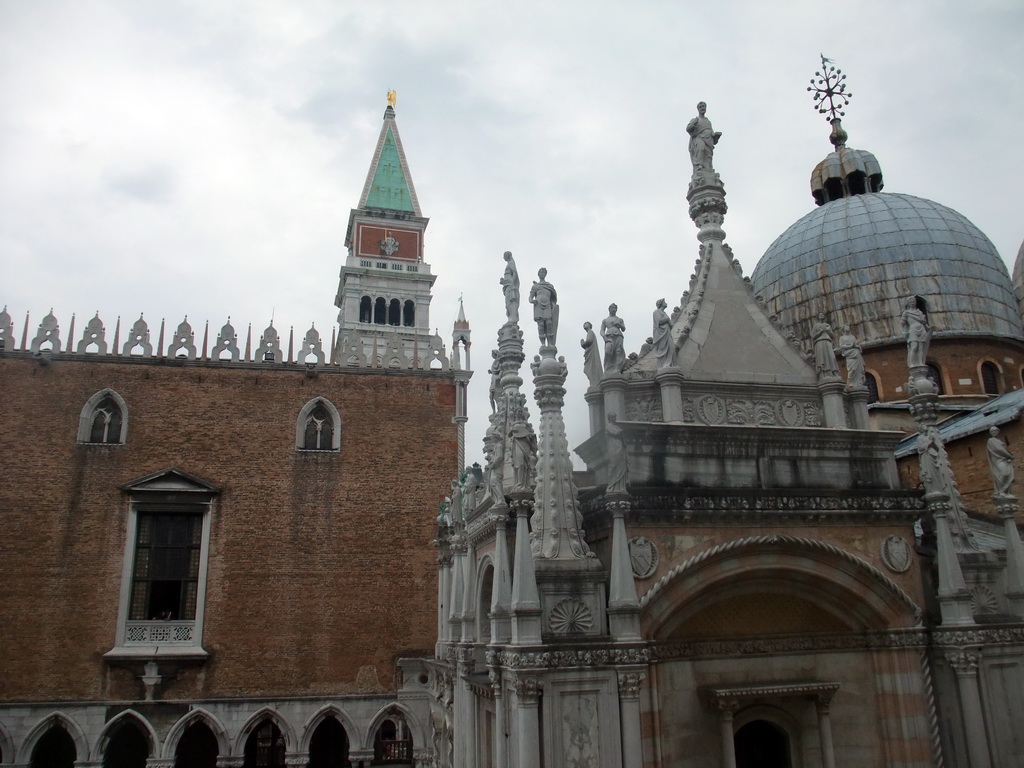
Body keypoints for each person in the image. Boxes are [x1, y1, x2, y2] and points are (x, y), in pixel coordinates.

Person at [685, 101, 722, 175]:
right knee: (700, 149)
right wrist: (693, 125)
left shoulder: (708, 121)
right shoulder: (696, 119)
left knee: (708, 155)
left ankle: (708, 169)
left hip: (709, 141)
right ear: (698, 109)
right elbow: (688, 128)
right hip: (699, 138)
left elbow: (712, 135)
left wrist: (716, 136)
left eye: (703, 107)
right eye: (700, 107)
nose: (702, 108)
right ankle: (699, 166)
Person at [528, 268, 558, 346]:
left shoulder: (549, 286)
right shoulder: (535, 286)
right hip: (538, 305)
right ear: (538, 274)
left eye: (544, 272)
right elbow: (531, 297)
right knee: (541, 325)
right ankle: (543, 343)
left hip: (547, 305)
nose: (542, 273)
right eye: (541, 272)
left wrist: (553, 304)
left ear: (545, 274)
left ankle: (550, 343)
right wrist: (531, 300)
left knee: (549, 323)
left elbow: (553, 298)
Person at [901, 298, 931, 369]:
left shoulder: (919, 312)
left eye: (914, 302)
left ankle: (920, 362)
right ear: (908, 303)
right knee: (914, 347)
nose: (912, 303)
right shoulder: (906, 313)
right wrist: (903, 332)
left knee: (921, 347)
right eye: (911, 302)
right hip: (913, 329)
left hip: (922, 329)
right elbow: (902, 323)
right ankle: (912, 364)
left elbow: (924, 322)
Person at [605, 413, 629, 494]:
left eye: (615, 417)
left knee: (621, 465)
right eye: (612, 417)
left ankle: (621, 486)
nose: (614, 418)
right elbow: (614, 433)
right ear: (609, 418)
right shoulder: (608, 427)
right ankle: (612, 486)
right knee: (613, 466)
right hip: (613, 449)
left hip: (620, 447)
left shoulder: (617, 427)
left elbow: (623, 439)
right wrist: (620, 431)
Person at [987, 426, 1015, 496]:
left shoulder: (1000, 441)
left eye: (995, 431)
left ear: (998, 431)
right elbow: (998, 450)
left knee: (1008, 475)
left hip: (1005, 460)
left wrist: (1008, 456)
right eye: (992, 431)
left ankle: (1006, 492)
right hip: (998, 460)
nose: (993, 432)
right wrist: (1009, 456)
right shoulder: (991, 440)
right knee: (1004, 473)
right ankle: (1001, 490)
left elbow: (1004, 449)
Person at [509, 420, 537, 490]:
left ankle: (525, 484)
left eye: (520, 412)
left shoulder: (527, 425)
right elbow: (509, 435)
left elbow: (532, 438)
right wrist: (512, 430)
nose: (519, 412)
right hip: (517, 444)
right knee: (520, 464)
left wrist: (530, 436)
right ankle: (519, 483)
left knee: (526, 465)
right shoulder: (514, 424)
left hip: (526, 445)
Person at [810, 313, 839, 377]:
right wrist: (820, 332)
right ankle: (824, 373)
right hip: (819, 342)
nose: (822, 315)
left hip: (827, 341)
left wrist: (828, 331)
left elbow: (833, 336)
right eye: (820, 315)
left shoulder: (827, 325)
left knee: (832, 357)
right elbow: (812, 336)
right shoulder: (816, 326)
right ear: (818, 317)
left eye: (823, 315)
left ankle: (834, 371)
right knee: (822, 357)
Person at [601, 304, 626, 373]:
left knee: (618, 351)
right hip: (609, 336)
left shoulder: (620, 319)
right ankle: (608, 369)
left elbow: (623, 329)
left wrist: (619, 325)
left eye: (615, 308)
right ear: (609, 309)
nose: (613, 309)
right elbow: (602, 330)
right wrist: (604, 337)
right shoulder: (605, 320)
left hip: (618, 335)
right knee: (608, 352)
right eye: (612, 308)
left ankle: (617, 368)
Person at [500, 251, 520, 324]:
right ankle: (510, 318)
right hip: (507, 285)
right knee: (508, 304)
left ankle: (513, 319)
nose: (503, 257)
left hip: (510, 286)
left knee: (511, 303)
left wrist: (513, 284)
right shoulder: (509, 264)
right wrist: (503, 281)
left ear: (507, 255)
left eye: (504, 255)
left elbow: (514, 274)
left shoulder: (511, 263)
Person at [580, 322, 603, 388]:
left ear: (589, 325)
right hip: (590, 353)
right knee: (591, 368)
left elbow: (589, 341)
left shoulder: (590, 332)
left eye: (586, 324)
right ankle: (593, 383)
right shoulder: (589, 333)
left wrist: (582, 343)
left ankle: (595, 383)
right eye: (584, 324)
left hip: (592, 354)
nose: (584, 325)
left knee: (592, 367)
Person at [652, 298, 672, 368]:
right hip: (661, 334)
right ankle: (664, 365)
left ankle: (669, 363)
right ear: (661, 303)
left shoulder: (664, 313)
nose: (666, 303)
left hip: (667, 332)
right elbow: (660, 321)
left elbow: (670, 323)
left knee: (670, 347)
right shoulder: (656, 312)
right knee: (663, 348)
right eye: (664, 302)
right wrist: (667, 320)